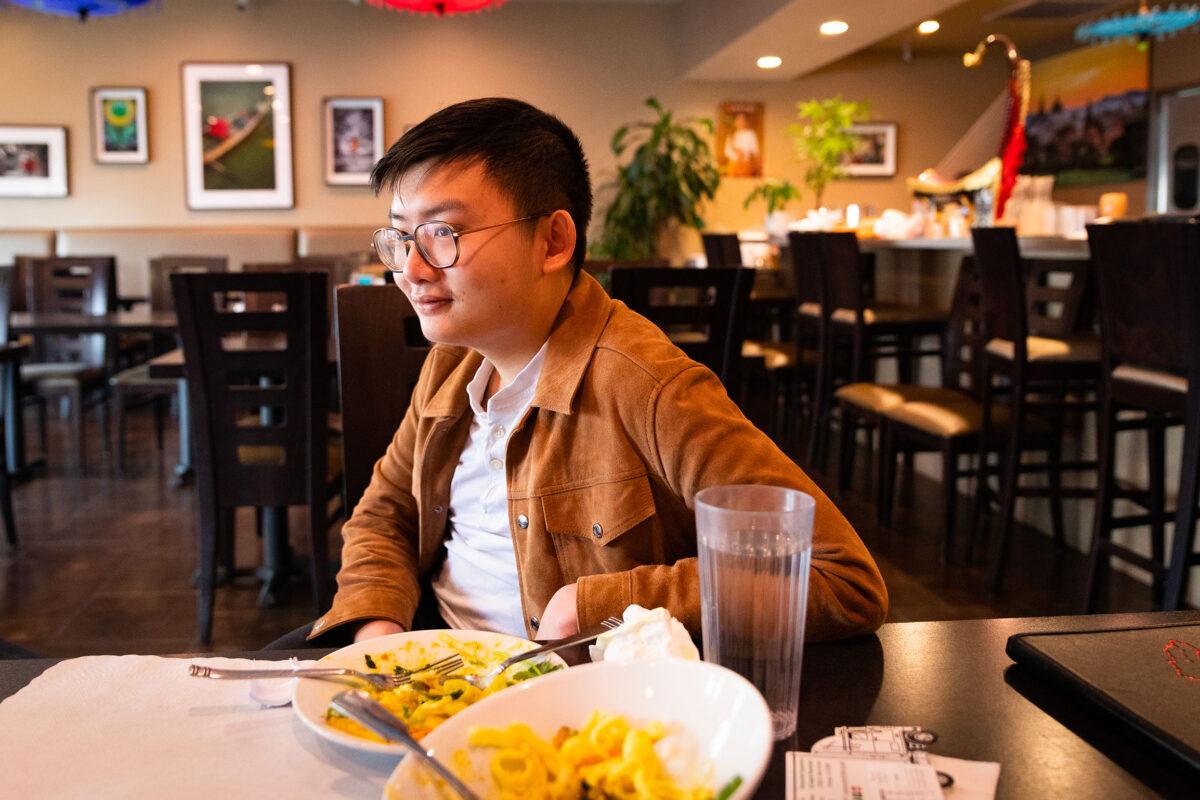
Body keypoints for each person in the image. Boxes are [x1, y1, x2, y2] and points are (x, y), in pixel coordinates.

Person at [303, 97, 886, 648]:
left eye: (441, 235)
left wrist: (605, 605)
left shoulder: (647, 385)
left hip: (569, 696)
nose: (410, 269)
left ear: (553, 241)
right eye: (402, 236)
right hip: (438, 660)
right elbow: (387, 513)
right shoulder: (453, 362)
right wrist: (380, 634)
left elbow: (842, 580)